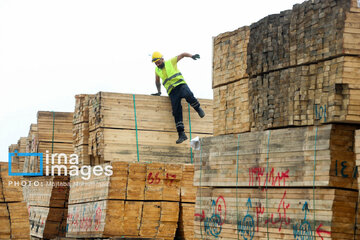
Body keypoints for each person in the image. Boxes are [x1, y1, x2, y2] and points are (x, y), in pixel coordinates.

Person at [151, 51, 205, 144]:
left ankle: (198, 108)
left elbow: (182, 55)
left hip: (180, 85)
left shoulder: (171, 62)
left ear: (162, 59)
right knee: (176, 112)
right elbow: (157, 81)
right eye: (155, 63)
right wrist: (159, 91)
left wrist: (191, 56)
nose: (157, 64)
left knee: (188, 95)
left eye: (158, 61)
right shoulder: (157, 70)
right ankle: (181, 134)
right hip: (172, 92)